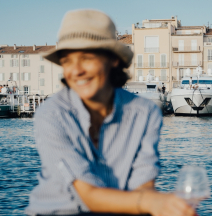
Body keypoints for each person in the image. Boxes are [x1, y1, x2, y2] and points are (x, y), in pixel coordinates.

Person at [26, 10, 195, 216]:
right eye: (68, 61)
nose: (76, 70)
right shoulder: (52, 114)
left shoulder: (145, 113)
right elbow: (88, 194)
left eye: (86, 57)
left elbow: (143, 186)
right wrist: (155, 203)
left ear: (113, 60)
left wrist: (167, 208)